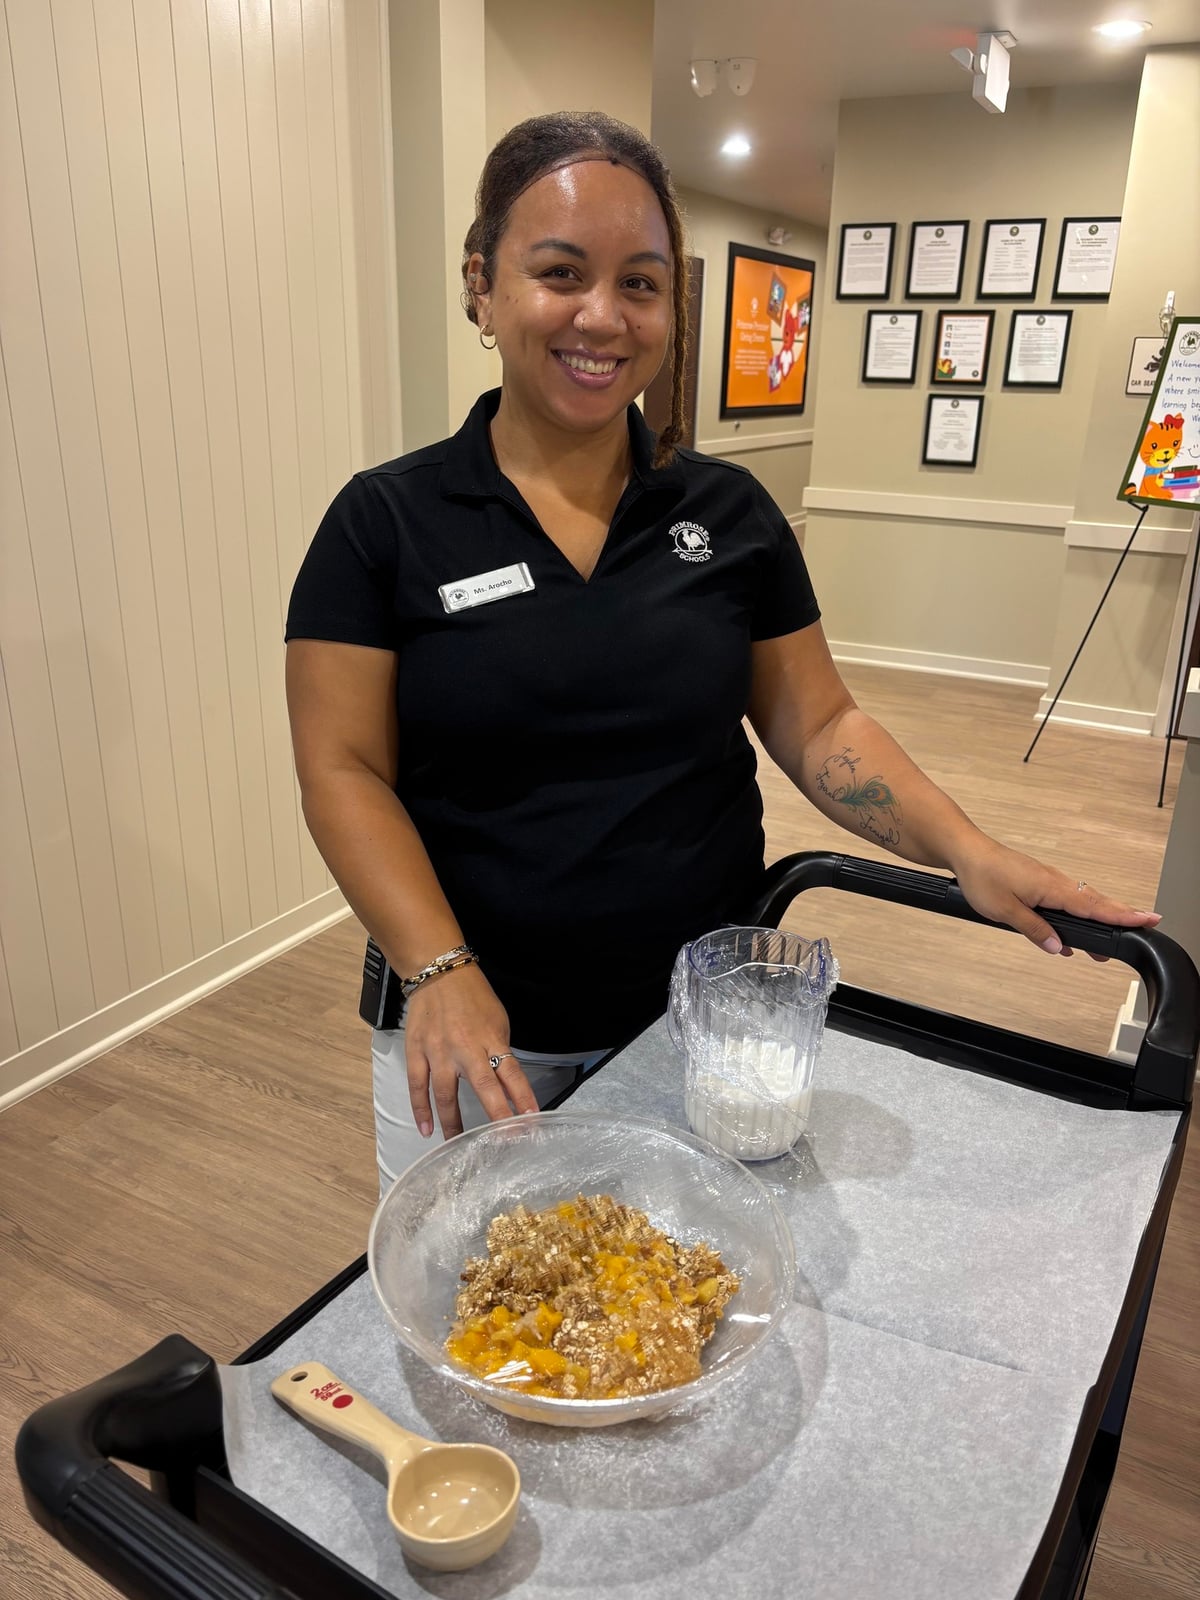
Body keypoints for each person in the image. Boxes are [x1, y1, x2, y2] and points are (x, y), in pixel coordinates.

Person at [285, 112, 1159, 1194]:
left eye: (642, 283)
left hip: (692, 1027)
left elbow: (820, 722)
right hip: (476, 1034)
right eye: (561, 271)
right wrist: (440, 968)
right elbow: (342, 770)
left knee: (678, 1299)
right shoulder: (384, 523)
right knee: (485, 1320)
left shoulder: (729, 513)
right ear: (482, 283)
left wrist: (965, 849)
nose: (602, 317)